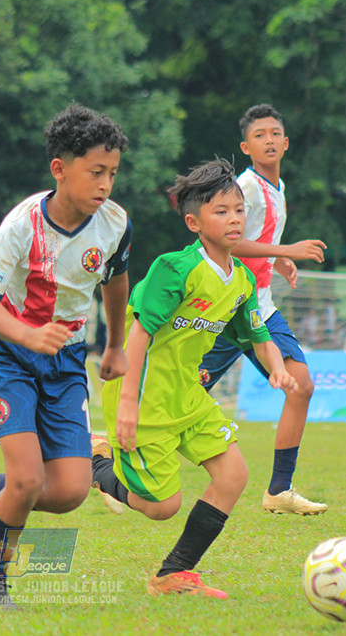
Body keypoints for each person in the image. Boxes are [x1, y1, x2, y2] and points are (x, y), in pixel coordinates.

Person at [0, 104, 131, 608]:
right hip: (8, 356)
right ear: (59, 169)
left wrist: (115, 343)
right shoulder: (22, 224)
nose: (105, 184)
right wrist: (27, 334)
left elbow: (117, 279)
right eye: (95, 172)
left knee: (68, 492)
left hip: (65, 362)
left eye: (112, 173)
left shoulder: (114, 223)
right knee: (25, 478)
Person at [93, 158, 297, 597]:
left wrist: (277, 369)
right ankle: (97, 464)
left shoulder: (241, 278)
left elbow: (258, 334)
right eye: (220, 211)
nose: (234, 218)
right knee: (161, 507)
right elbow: (140, 332)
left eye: (239, 209)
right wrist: (127, 404)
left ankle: (172, 573)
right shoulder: (176, 268)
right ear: (194, 221)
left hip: (189, 394)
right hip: (145, 397)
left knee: (233, 476)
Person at [196, 104, 327, 516]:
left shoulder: (277, 188)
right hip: (223, 311)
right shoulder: (245, 188)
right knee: (179, 393)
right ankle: (109, 456)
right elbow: (228, 242)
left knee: (301, 385)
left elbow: (255, 239)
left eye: (275, 133)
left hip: (259, 307)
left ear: (285, 143)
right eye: (260, 135)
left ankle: (279, 490)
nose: (268, 139)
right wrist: (286, 250)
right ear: (246, 146)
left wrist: (277, 260)